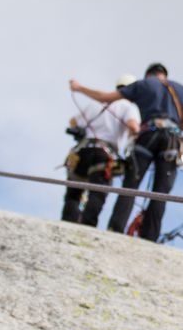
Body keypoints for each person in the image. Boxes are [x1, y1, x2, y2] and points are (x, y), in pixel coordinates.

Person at [69, 63, 183, 242]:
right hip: (172, 140)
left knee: (131, 186)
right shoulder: (182, 90)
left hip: (146, 136)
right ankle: (149, 237)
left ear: (148, 74)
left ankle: (116, 228)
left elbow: (105, 97)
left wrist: (79, 88)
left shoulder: (142, 85)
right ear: (164, 74)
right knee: (160, 193)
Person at [60, 75, 141, 227]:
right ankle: (87, 227)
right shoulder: (128, 106)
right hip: (104, 154)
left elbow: (73, 122)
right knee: (97, 192)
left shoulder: (95, 104)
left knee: (73, 193)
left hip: (82, 151)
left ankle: (66, 224)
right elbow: (133, 127)